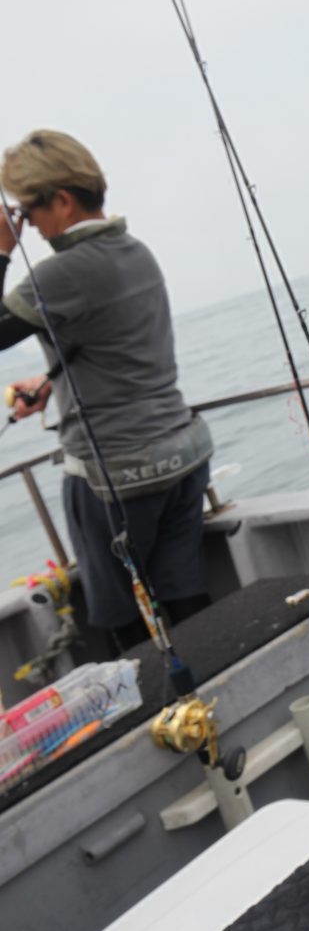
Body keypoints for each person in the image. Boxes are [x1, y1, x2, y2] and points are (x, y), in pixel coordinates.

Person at [0, 130, 213, 648]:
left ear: (62, 200)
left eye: (27, 211)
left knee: (124, 615)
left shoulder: (61, 272)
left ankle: (156, 696)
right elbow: (115, 348)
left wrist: (2, 251)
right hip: (184, 458)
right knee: (186, 595)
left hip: (114, 476)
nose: (29, 227)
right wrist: (50, 383)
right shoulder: (136, 251)